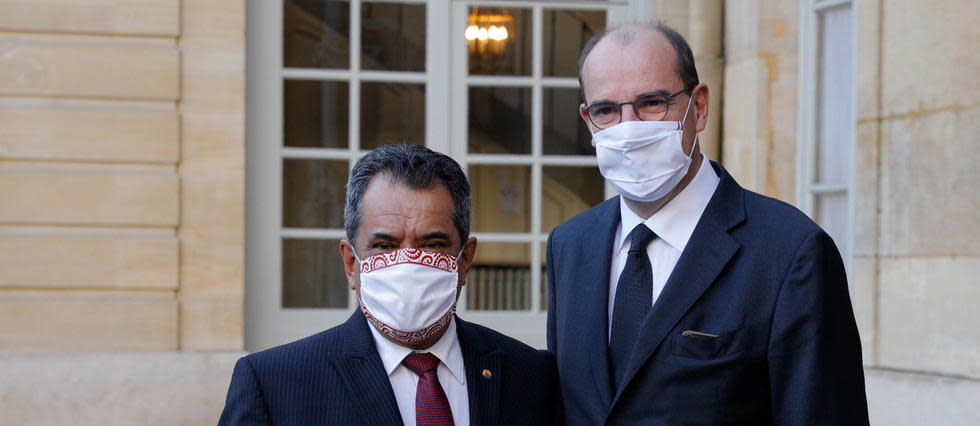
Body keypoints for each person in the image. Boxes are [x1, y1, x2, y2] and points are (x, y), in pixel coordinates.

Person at [546, 23, 869, 425]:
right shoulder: (570, 244)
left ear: (698, 107)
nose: (629, 128)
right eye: (606, 110)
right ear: (587, 119)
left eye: (652, 103)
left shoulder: (790, 251)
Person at [220, 144, 559, 426]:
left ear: (465, 260)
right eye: (385, 246)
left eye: (433, 244)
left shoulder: (530, 376)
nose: (408, 263)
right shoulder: (274, 384)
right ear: (351, 264)